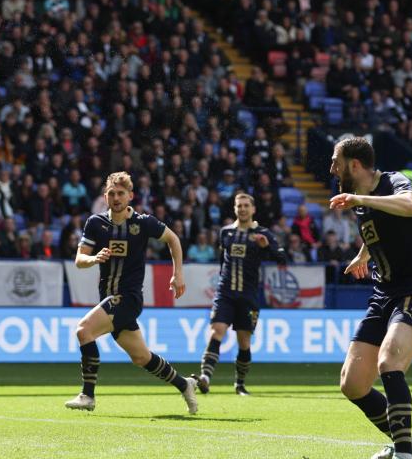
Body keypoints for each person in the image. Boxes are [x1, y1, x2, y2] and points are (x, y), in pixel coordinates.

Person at [329, 137, 412, 459]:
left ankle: (404, 458)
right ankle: (402, 439)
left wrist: (359, 198)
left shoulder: (394, 181)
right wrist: (362, 255)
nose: (332, 168)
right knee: (352, 383)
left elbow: (408, 207)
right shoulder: (360, 203)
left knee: (389, 361)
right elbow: (376, 229)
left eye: (337, 161)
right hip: (383, 294)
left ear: (355, 165)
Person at [64, 172, 198, 414]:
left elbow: (173, 239)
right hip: (109, 299)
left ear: (130, 196)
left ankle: (88, 395)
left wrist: (178, 274)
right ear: (105, 196)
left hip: (128, 298)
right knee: (141, 357)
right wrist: (94, 258)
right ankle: (184, 384)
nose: (116, 198)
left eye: (120, 193)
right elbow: (79, 259)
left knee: (84, 331)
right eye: (111, 194)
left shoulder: (143, 222)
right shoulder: (95, 223)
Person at [196, 192, 286, 396]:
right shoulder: (226, 232)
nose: (243, 209)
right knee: (216, 331)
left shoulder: (263, 233)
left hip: (248, 296)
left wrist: (266, 248)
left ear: (253, 209)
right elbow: (222, 260)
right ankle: (205, 378)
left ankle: (240, 384)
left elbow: (282, 258)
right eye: (239, 206)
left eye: (246, 205)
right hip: (225, 293)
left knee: (244, 341)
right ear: (235, 209)